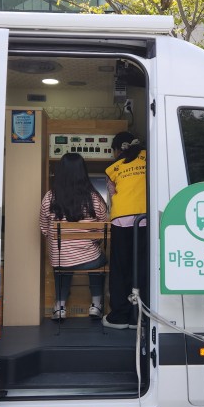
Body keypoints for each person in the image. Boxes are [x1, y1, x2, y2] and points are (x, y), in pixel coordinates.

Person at [39, 153, 108, 321]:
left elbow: (44, 227)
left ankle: (60, 307)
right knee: (101, 259)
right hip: (90, 259)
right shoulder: (94, 198)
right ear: (83, 171)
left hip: (60, 259)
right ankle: (96, 305)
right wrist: (93, 239)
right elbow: (104, 226)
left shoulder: (50, 197)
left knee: (63, 263)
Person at [102, 132, 148, 330]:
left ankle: (119, 317)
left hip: (121, 219)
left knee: (121, 268)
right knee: (144, 266)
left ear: (116, 150)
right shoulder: (150, 157)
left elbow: (112, 193)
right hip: (146, 218)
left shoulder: (113, 167)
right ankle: (141, 317)